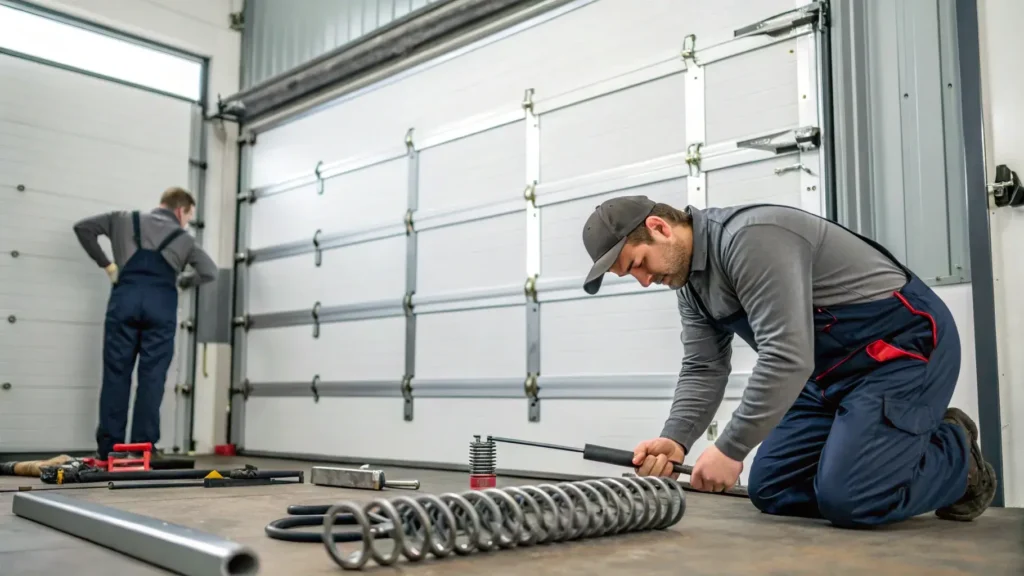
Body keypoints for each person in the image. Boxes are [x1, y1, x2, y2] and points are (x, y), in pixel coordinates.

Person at [579, 195, 997, 527]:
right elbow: (703, 369)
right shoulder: (691, 287)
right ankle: (872, 457)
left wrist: (731, 447)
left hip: (900, 351)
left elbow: (786, 355)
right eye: (630, 275)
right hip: (825, 374)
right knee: (772, 489)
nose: (644, 280)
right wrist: (676, 439)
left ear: (659, 228)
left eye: (638, 264)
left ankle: (957, 455)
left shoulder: (750, 238)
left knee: (850, 500)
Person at [73, 187, 217, 463]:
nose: (186, 222)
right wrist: (184, 281)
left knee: (116, 375)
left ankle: (109, 450)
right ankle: (142, 450)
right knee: (152, 379)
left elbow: (83, 229)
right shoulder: (184, 240)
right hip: (160, 308)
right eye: (188, 216)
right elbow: (209, 272)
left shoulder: (122, 219)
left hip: (124, 302)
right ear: (180, 210)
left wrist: (108, 265)